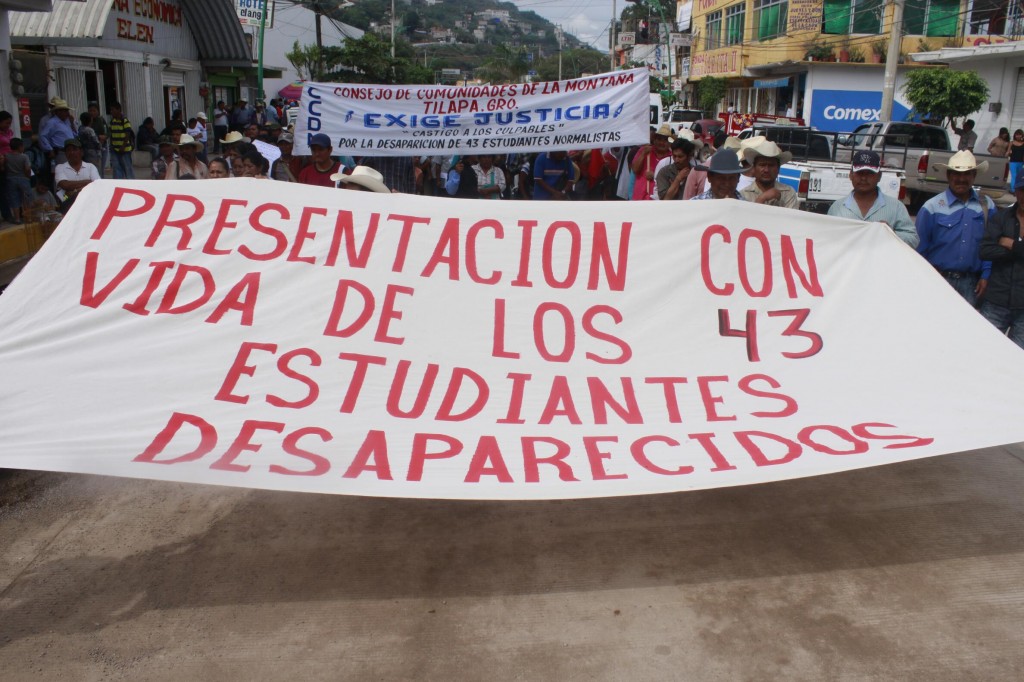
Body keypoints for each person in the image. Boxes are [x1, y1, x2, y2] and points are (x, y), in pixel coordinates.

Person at [915, 150, 995, 305]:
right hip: (938, 279)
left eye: (967, 174)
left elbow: (991, 245)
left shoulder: (986, 205)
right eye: (956, 174)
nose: (961, 179)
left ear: (974, 176)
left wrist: (986, 276)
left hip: (971, 282)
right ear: (948, 176)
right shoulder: (931, 207)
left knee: (967, 327)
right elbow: (920, 248)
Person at [827, 150, 918, 246]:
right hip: (847, 260)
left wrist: (892, 233)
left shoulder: (896, 207)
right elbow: (826, 237)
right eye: (859, 173)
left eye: (869, 173)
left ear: (879, 176)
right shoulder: (837, 207)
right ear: (851, 175)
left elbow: (913, 239)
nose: (863, 178)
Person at [978, 173, 1024, 348]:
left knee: (1019, 360)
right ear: (1015, 191)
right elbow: (985, 251)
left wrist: (1012, 245)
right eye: (1022, 190)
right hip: (996, 300)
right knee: (986, 351)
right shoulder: (1001, 217)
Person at [740, 140, 799, 208]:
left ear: (778, 168)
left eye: (771, 165)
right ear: (754, 168)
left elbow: (789, 218)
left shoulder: (788, 193)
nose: (766, 170)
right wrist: (761, 199)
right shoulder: (744, 195)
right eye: (762, 165)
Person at [54, 138, 100, 212]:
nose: (72, 152)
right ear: (65, 153)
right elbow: (65, 185)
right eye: (68, 150)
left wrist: (74, 191)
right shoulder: (60, 167)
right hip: (68, 207)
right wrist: (88, 182)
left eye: (75, 149)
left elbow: (97, 185)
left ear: (81, 152)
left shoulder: (90, 166)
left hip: (88, 204)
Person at [631, 124, 672, 200]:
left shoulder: (672, 157)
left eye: (665, 140)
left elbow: (672, 178)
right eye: (659, 139)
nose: (662, 143)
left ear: (669, 143)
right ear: (654, 140)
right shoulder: (645, 150)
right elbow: (635, 170)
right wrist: (643, 154)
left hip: (659, 200)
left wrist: (655, 176)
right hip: (640, 197)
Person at [40, 98, 77, 165]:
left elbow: (75, 135)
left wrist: (72, 123)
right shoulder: (52, 122)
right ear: (58, 112)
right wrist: (50, 149)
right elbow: (43, 136)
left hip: (71, 151)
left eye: (67, 111)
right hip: (61, 152)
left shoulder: (67, 122)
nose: (67, 113)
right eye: (65, 111)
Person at [5, 138, 32, 223]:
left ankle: (17, 218)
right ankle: (29, 218)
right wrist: (28, 175)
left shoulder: (7, 156)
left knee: (14, 199)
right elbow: (28, 168)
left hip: (10, 179)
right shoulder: (24, 156)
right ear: (20, 147)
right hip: (23, 178)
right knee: (26, 199)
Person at [108, 101, 135, 179]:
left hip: (125, 149)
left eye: (113, 110)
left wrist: (123, 146)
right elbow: (111, 133)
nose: (111, 112)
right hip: (114, 149)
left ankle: (131, 184)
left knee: (127, 167)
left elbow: (128, 133)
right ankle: (118, 183)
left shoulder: (125, 120)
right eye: (111, 110)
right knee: (116, 167)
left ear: (119, 110)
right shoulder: (112, 121)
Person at [87, 102, 109, 175]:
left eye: (94, 111)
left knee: (102, 168)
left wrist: (105, 136)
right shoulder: (87, 121)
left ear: (98, 111)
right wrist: (98, 136)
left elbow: (108, 132)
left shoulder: (101, 120)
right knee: (95, 168)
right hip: (93, 149)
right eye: (90, 111)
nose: (92, 113)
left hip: (103, 146)